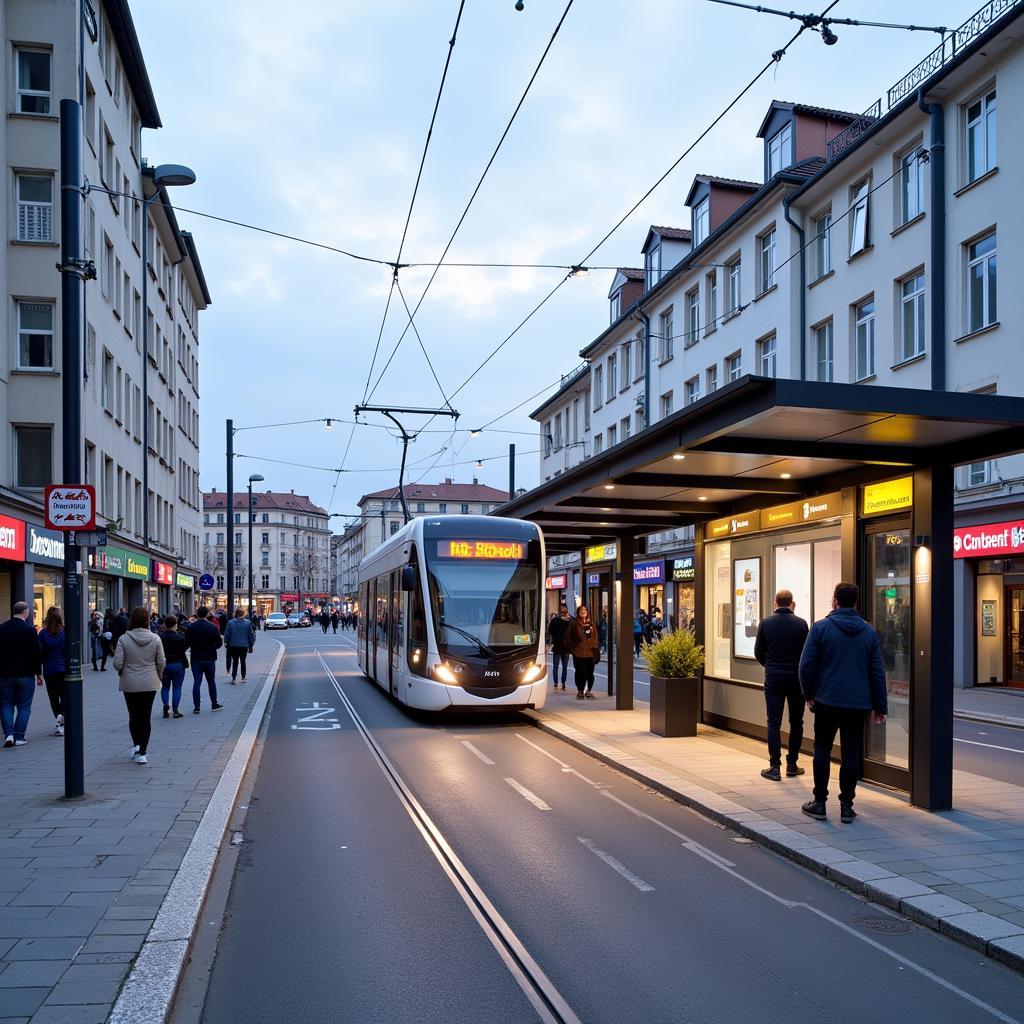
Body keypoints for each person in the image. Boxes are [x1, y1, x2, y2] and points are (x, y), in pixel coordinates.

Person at [799, 582, 888, 824]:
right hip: (858, 704)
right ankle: (847, 806)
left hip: (826, 700)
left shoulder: (820, 628)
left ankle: (819, 803)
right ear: (855, 603)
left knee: (822, 749)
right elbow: (877, 672)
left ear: (835, 601)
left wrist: (809, 694)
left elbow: (806, 666)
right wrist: (881, 706)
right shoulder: (869, 632)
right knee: (851, 752)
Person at [754, 590, 809, 781]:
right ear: (792, 603)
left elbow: (758, 652)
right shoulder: (801, 624)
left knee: (773, 722)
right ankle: (792, 764)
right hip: (796, 680)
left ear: (775, 603)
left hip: (774, 678)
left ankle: (774, 766)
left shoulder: (765, 623)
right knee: (796, 722)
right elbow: (806, 653)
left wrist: (770, 666)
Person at [112, 606, 165, 765]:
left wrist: (123, 670)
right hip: (150, 682)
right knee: (145, 716)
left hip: (130, 682)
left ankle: (136, 746)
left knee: (133, 716)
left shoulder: (124, 639)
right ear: (147, 620)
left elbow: (117, 662)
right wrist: (158, 673)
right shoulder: (155, 638)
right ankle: (143, 752)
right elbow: (161, 661)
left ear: (132, 620)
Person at [0, 601, 44, 747]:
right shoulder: (29, 630)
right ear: (25, 612)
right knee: (24, 706)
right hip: (25, 674)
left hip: (4, 674)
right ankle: (19, 736)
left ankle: (9, 735)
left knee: (6, 704)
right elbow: (36, 654)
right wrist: (38, 673)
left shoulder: (2, 628)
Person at [186, 606, 224, 714]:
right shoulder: (212, 627)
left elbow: (186, 643)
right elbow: (219, 643)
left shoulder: (191, 627)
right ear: (207, 614)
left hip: (196, 658)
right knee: (211, 682)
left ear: (197, 614)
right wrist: (212, 648)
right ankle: (214, 704)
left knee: (196, 682)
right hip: (209, 657)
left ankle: (197, 707)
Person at [37, 606, 67, 737]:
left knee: (53, 698)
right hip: (63, 669)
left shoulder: (43, 633)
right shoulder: (65, 631)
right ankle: (63, 719)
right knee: (65, 696)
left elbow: (40, 652)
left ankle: (59, 718)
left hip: (49, 670)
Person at [566, 605, 601, 700]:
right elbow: (569, 637)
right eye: (581, 610)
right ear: (578, 612)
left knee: (590, 673)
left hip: (590, 652)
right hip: (578, 653)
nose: (583, 611)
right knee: (580, 672)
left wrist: (595, 648)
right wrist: (573, 649)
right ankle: (580, 691)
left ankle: (589, 690)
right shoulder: (574, 623)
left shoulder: (592, 624)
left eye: (585, 610)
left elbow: (596, 638)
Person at [159, 615, 188, 719]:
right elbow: (183, 649)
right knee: (177, 688)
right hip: (178, 664)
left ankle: (165, 708)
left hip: (165, 665)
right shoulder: (180, 637)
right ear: (175, 624)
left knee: (165, 687)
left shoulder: (160, 637)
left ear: (165, 625)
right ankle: (175, 710)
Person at [224, 607, 256, 683]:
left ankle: (234, 678)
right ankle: (243, 677)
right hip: (244, 645)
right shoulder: (247, 623)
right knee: (243, 661)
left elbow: (227, 634)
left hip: (233, 644)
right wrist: (251, 644)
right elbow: (251, 635)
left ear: (236, 614)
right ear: (243, 614)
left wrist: (226, 642)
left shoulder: (230, 622)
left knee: (235, 661)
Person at [546, 603, 571, 691]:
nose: (563, 611)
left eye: (564, 609)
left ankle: (560, 683)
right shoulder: (559, 620)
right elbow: (550, 630)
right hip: (561, 647)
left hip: (562, 647)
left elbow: (550, 631)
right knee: (559, 666)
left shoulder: (560, 620)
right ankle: (558, 683)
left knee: (560, 666)